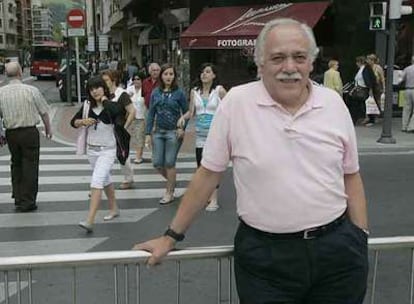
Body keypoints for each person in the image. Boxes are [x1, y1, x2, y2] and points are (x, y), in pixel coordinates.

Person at [134, 18, 369, 304]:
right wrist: (171, 236)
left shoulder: (332, 103)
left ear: (311, 62)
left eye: (299, 57)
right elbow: (208, 174)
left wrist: (360, 237)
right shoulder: (236, 103)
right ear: (260, 64)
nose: (289, 67)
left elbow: (350, 175)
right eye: (277, 58)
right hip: (265, 259)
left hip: (337, 253)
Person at [71, 76, 124, 232]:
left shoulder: (112, 105)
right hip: (92, 150)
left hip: (107, 150)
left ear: (104, 88)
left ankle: (90, 220)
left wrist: (105, 101)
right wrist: (82, 122)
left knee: (97, 181)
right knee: (105, 179)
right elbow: (73, 122)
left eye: (98, 88)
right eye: (91, 89)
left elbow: (117, 113)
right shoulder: (87, 105)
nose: (95, 91)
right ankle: (114, 208)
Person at [0, 62, 52, 212]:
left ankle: (18, 197)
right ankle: (28, 201)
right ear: (20, 73)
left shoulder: (1, 92)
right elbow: (44, 112)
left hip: (11, 133)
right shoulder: (31, 90)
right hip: (29, 132)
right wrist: (48, 129)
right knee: (30, 165)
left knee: (16, 164)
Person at [179, 63, 227, 211]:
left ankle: (214, 199)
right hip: (200, 135)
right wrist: (182, 118)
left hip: (215, 136)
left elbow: (230, 107)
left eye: (207, 72)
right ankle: (205, 196)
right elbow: (191, 111)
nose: (204, 74)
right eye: (202, 72)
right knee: (202, 167)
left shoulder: (219, 91)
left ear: (214, 75)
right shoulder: (195, 92)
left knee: (213, 168)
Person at [145, 63, 188, 204]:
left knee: (169, 163)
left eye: (171, 74)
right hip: (158, 132)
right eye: (166, 74)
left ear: (174, 76)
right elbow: (151, 113)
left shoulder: (179, 93)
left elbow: (187, 112)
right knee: (157, 163)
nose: (168, 77)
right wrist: (147, 133)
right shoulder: (156, 93)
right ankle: (172, 181)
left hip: (173, 132)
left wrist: (182, 128)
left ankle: (169, 192)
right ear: (161, 76)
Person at [101, 69, 136, 190]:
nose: (104, 83)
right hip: (104, 129)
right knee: (104, 156)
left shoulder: (122, 94)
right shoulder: (102, 94)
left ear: (113, 80)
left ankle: (128, 178)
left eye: (106, 80)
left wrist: (124, 127)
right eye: (103, 80)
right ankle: (100, 182)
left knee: (122, 154)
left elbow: (132, 111)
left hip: (118, 128)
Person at [126, 71, 147, 163]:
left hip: (141, 117)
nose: (136, 81)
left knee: (139, 136)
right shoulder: (129, 89)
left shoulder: (145, 90)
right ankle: (138, 154)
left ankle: (138, 156)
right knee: (134, 136)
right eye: (134, 79)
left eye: (138, 79)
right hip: (131, 117)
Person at [351, 56, 377, 126]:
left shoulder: (366, 69)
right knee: (361, 104)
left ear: (360, 62)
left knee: (367, 104)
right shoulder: (360, 70)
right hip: (359, 88)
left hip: (364, 89)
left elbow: (369, 79)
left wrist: (370, 89)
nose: (356, 64)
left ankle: (370, 119)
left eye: (357, 62)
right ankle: (361, 118)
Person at [401, 56, 414, 132]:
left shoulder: (407, 69)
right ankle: (411, 127)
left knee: (406, 109)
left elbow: (401, 79)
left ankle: (404, 126)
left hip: (407, 89)